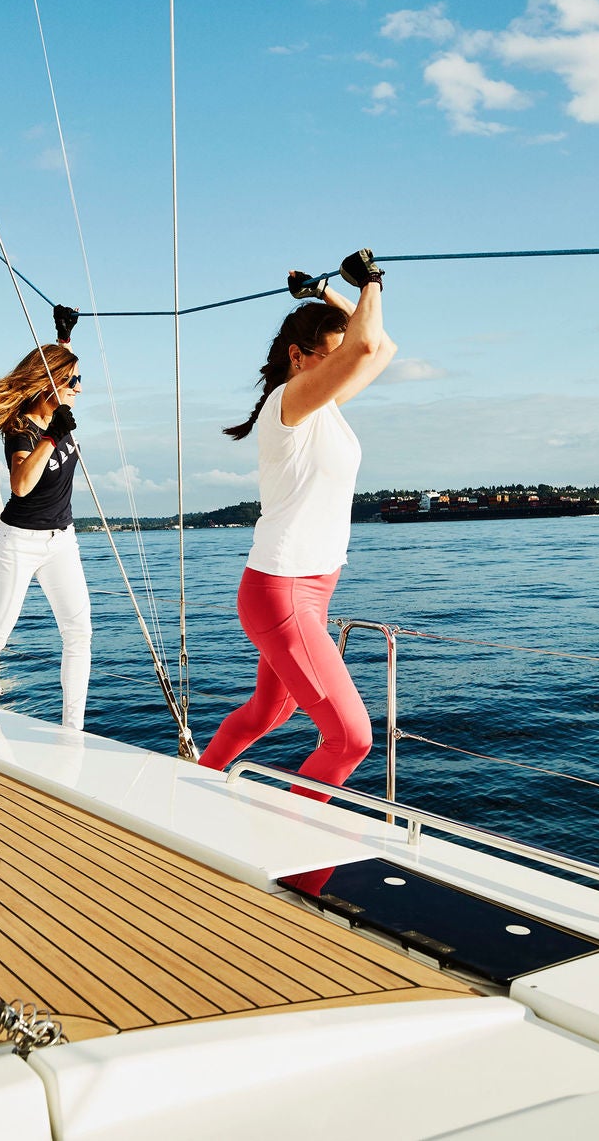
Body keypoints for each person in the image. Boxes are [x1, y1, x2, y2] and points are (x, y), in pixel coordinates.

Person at [199, 249, 396, 798]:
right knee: (350, 740)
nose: (344, 367)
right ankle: (295, 849)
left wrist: (326, 293)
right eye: (329, 357)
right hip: (281, 591)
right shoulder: (289, 405)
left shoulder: (324, 404)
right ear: (298, 356)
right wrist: (370, 281)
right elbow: (361, 345)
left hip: (310, 589)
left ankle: (194, 784)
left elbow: (378, 348)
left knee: (268, 713)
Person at [0, 338, 92, 729]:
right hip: (20, 542)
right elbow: (22, 484)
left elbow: (52, 363)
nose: (79, 387)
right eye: (73, 380)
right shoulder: (21, 430)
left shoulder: (58, 413)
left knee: (79, 634)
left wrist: (63, 339)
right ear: (50, 384)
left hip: (62, 540)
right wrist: (51, 436)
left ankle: (73, 731)